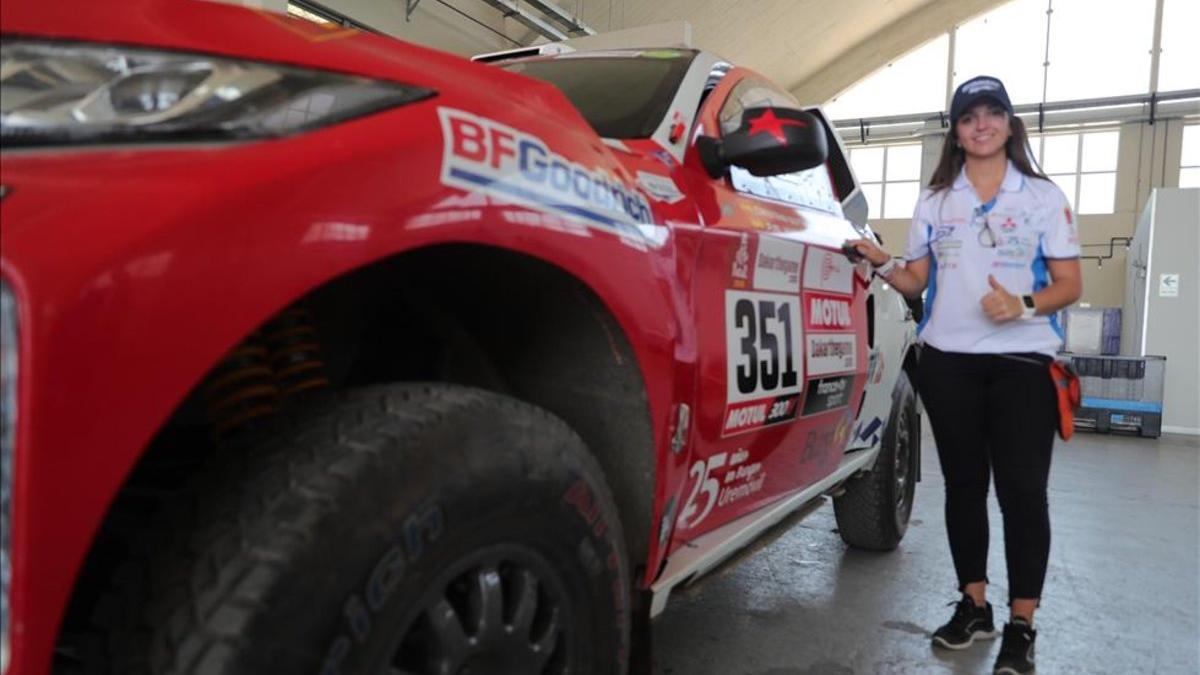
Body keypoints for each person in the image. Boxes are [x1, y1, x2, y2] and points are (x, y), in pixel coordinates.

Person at [846, 75, 1082, 675]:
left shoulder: (1042, 198)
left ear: (1010, 123)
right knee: (962, 489)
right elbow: (916, 282)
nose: (982, 125)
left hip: (1024, 363)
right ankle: (974, 605)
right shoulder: (936, 201)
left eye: (993, 113)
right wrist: (883, 264)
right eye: (969, 116)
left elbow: (1070, 284)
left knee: (1023, 495)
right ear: (955, 130)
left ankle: (1022, 626)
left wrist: (1023, 306)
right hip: (948, 363)